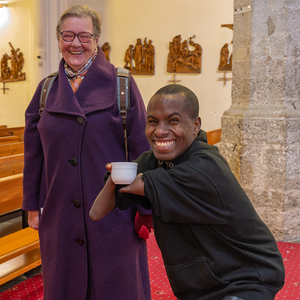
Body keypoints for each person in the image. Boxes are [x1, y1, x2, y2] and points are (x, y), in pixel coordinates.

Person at [90, 84, 285, 300]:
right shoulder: (154, 161)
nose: (160, 131)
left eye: (173, 121)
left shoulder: (207, 166)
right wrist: (114, 176)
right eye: (153, 121)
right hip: (200, 286)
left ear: (195, 125)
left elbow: (143, 183)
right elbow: (96, 213)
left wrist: (122, 178)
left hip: (244, 279)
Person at [22, 4, 151, 300]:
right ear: (58, 39)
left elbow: (142, 152)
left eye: (84, 35)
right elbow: (34, 154)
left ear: (97, 39)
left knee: (114, 288)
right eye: (68, 35)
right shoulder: (45, 90)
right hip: (60, 216)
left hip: (114, 214)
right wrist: (32, 205)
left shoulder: (122, 85)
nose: (75, 43)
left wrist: (145, 210)